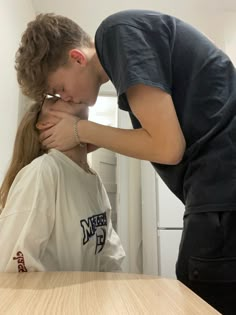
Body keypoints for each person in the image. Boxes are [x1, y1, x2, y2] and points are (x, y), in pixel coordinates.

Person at [15, 10, 236, 314]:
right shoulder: (44, 173)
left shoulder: (115, 32)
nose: (67, 100)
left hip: (223, 189)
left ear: (78, 58)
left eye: (61, 90)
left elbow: (168, 147)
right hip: (220, 187)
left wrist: (81, 130)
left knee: (202, 293)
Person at [0, 97, 125, 272]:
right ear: (44, 125)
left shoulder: (92, 178)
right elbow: (13, 266)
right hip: (52, 299)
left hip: (89, 297)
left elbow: (108, 252)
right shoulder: (43, 171)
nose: (68, 95)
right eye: (55, 99)